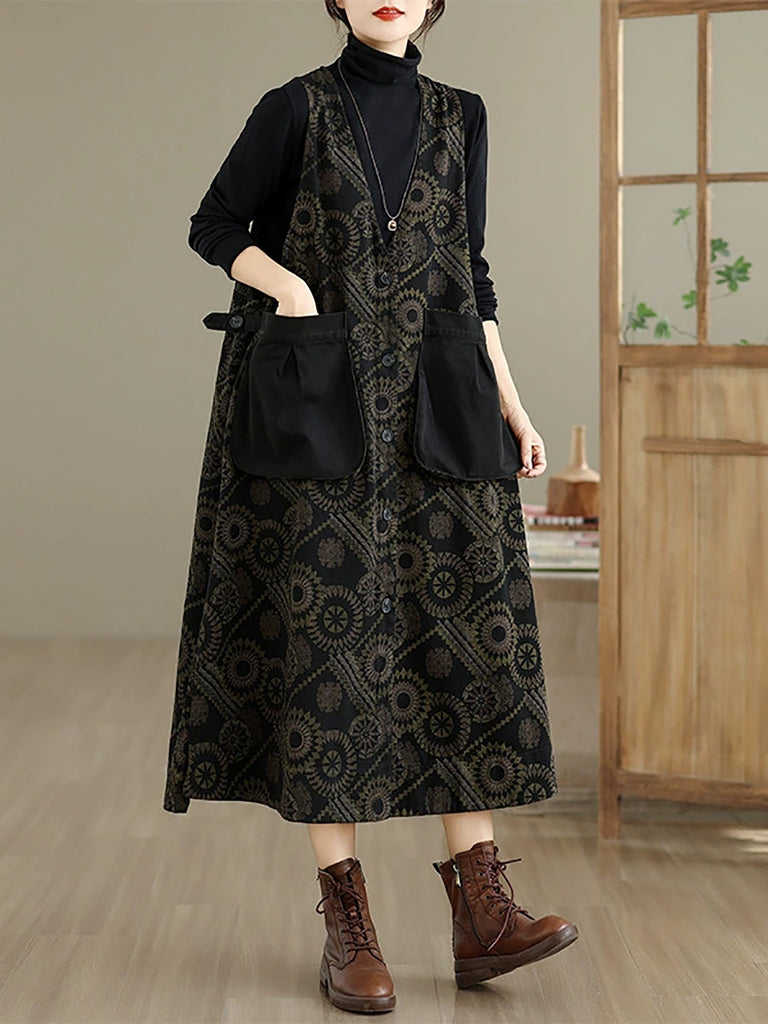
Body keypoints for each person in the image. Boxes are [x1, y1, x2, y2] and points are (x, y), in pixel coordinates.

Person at [163, 0, 578, 1013]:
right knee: (330, 655)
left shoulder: (462, 115)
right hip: (324, 410)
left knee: (463, 641)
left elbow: (470, 272)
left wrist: (514, 404)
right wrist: (290, 291)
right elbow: (213, 224)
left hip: (442, 401)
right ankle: (347, 923)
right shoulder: (293, 108)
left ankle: (484, 914)